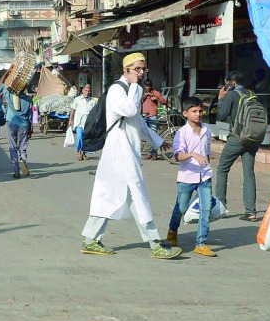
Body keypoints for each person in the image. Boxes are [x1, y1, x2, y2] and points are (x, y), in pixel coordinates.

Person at [79, 53, 182, 259]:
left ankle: (90, 240)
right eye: (137, 69)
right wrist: (136, 86)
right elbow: (130, 109)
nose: (141, 73)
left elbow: (139, 123)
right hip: (119, 152)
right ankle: (155, 243)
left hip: (125, 152)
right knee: (137, 195)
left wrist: (158, 142)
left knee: (111, 196)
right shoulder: (118, 90)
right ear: (126, 70)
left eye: (143, 69)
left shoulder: (130, 89)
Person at [166, 96, 216, 257]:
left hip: (205, 175)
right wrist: (193, 154)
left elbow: (207, 150)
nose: (198, 114)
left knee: (206, 209)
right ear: (185, 113)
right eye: (194, 111)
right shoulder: (182, 133)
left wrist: (206, 160)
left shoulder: (207, 129)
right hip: (187, 176)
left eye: (200, 111)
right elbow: (177, 156)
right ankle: (172, 230)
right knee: (180, 208)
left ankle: (201, 243)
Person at [214, 71, 260, 222]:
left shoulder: (232, 95)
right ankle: (251, 212)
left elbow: (221, 116)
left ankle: (220, 207)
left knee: (222, 169)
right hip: (252, 138)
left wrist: (221, 99)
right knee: (249, 173)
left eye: (227, 83)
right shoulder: (252, 94)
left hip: (237, 138)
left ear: (232, 83)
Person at [3, 82, 34, 179]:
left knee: (13, 146)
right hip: (24, 124)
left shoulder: (10, 96)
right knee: (22, 145)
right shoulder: (29, 100)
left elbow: (4, 85)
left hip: (12, 123)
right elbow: (30, 116)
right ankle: (23, 159)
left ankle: (16, 171)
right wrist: (30, 129)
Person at [68, 83, 97, 161]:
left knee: (86, 139)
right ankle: (78, 151)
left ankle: (83, 153)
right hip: (79, 123)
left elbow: (95, 112)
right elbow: (73, 109)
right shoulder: (77, 99)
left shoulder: (93, 101)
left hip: (88, 124)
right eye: (86, 90)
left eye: (88, 91)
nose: (87, 92)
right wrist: (70, 120)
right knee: (80, 137)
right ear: (82, 90)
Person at [141, 80, 166, 155]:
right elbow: (138, 101)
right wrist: (144, 96)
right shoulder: (142, 92)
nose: (147, 87)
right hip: (144, 116)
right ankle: (150, 153)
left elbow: (164, 101)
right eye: (146, 86)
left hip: (153, 115)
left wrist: (156, 98)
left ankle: (154, 153)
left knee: (153, 134)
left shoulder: (155, 93)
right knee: (146, 135)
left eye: (149, 86)